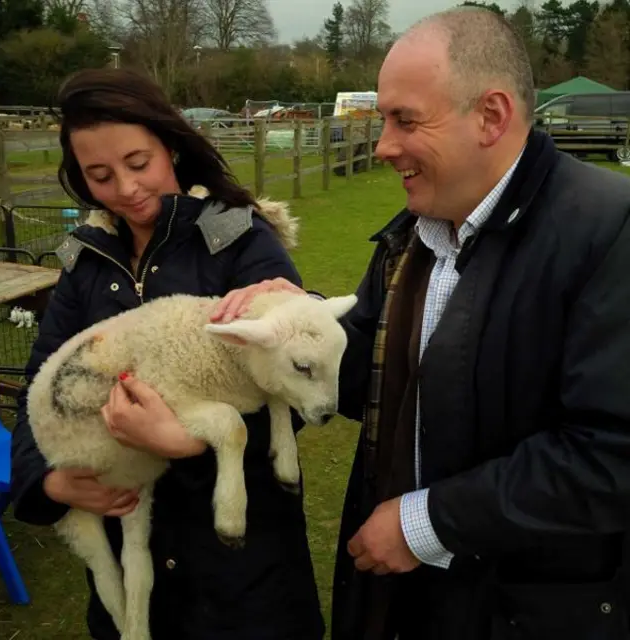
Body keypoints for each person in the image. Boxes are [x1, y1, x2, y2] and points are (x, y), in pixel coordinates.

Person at [211, 7, 630, 640]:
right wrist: (300, 323)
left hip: (531, 610)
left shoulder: (609, 232)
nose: (382, 144)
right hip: (400, 600)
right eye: (383, 119)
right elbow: (367, 377)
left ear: (491, 115)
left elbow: (611, 452)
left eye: (406, 120)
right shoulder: (413, 237)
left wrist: (426, 524)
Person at [10, 67, 324, 640]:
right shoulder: (84, 264)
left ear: (171, 146)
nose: (126, 188)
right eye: (99, 175)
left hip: (239, 575)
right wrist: (45, 482)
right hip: (129, 546)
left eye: (138, 163)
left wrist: (189, 442)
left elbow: (300, 369)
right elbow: (40, 379)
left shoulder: (239, 241)